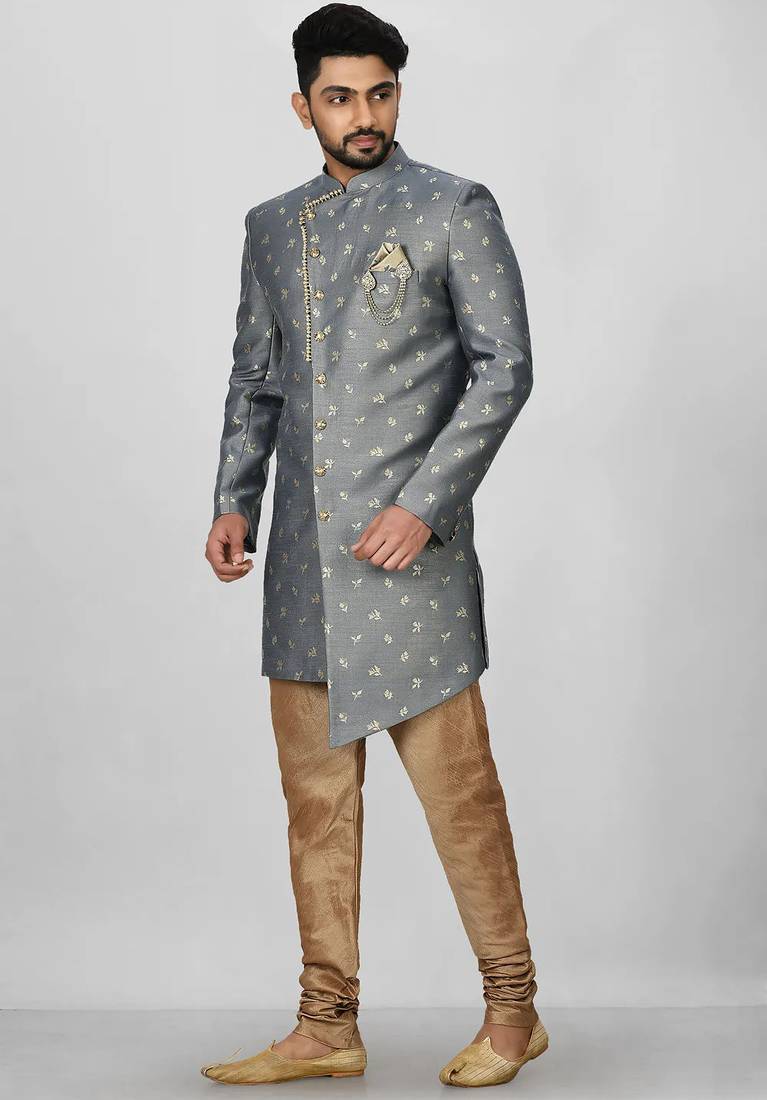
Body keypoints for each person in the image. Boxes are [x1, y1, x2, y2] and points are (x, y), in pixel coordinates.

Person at [201, 3, 547, 1088]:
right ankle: (326, 1024)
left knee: (460, 798)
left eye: (380, 93)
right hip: (303, 569)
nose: (364, 115)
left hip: (410, 568)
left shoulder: (452, 207)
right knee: (316, 808)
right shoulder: (270, 226)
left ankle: (513, 1008)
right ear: (301, 105)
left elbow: (504, 368)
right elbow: (255, 375)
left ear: (399, 93)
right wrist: (232, 499)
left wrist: (424, 504)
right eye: (340, 97)